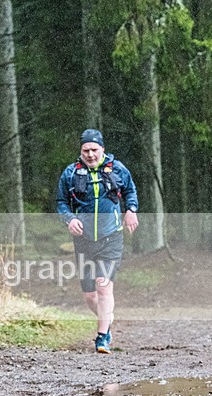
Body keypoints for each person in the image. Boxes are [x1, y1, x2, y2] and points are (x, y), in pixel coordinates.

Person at [56, 129, 139, 354]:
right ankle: (107, 318)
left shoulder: (117, 169)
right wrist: (69, 219)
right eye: (86, 150)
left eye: (94, 150)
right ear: (80, 151)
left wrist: (131, 210)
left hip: (111, 237)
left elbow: (130, 191)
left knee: (103, 287)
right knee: (90, 296)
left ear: (102, 149)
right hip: (83, 241)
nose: (90, 154)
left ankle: (102, 338)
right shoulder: (71, 173)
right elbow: (61, 202)